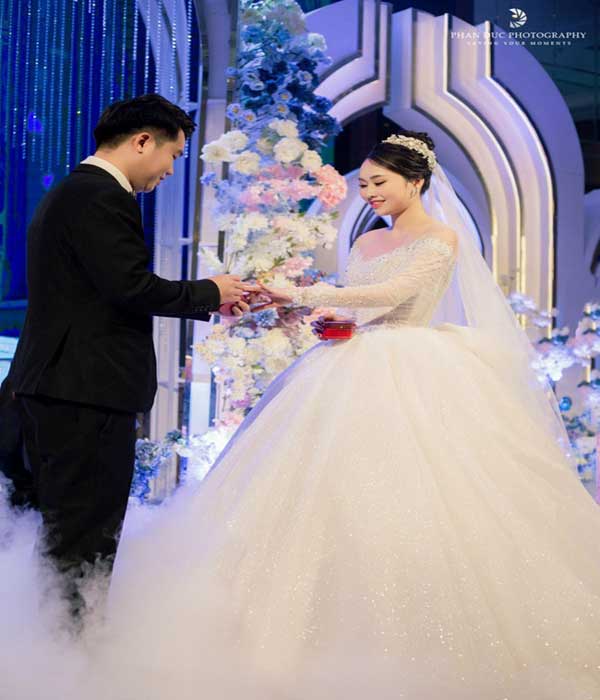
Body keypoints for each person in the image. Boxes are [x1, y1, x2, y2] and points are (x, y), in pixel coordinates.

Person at [81, 130, 600, 700]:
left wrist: (303, 295)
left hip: (412, 368)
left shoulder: (441, 238)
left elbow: (391, 296)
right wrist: (331, 319)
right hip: (349, 361)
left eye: (380, 182)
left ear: (415, 182)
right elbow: (360, 303)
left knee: (420, 491)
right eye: (364, 184)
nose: (369, 193)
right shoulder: (367, 240)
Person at [0, 94, 264, 624]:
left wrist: (208, 298)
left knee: (51, 538)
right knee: (83, 541)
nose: (170, 170)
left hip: (50, 388)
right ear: (143, 141)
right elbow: (129, 286)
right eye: (174, 155)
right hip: (84, 393)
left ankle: (45, 648)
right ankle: (70, 653)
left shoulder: (73, 191)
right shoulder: (100, 195)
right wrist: (210, 290)